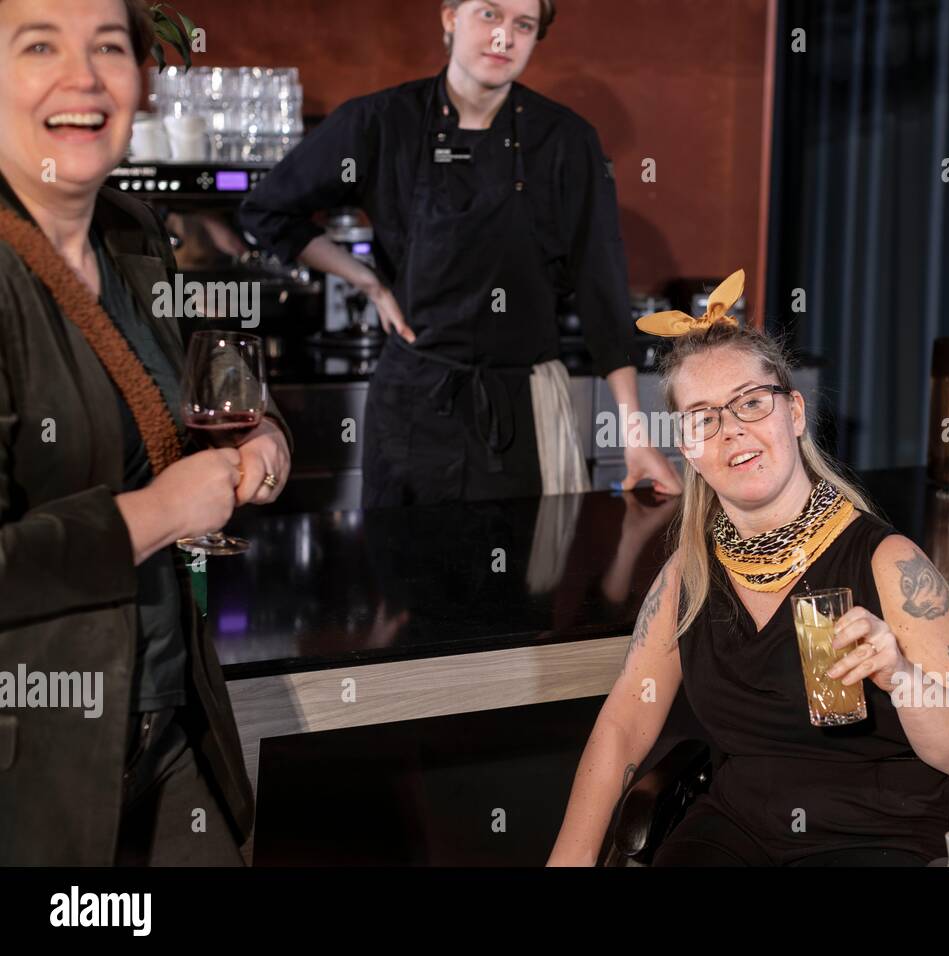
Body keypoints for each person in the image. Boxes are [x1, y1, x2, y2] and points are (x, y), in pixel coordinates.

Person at [548, 273, 949, 866]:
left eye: (751, 402)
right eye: (704, 418)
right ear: (688, 450)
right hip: (735, 831)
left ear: (795, 411)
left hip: (875, 835)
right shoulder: (687, 577)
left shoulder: (890, 563)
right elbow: (624, 724)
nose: (733, 430)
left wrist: (900, 675)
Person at [0, 0, 292, 864]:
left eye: (109, 46)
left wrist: (263, 437)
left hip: (165, 721)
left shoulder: (133, 236)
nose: (83, 75)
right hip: (35, 767)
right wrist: (156, 515)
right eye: (39, 44)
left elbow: (203, 391)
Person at [241, 0, 681, 506]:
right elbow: (267, 212)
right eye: (489, 14)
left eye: (523, 25)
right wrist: (367, 282)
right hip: (411, 404)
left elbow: (600, 286)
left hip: (526, 409)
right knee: (406, 576)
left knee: (524, 580)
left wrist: (636, 435)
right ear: (450, 17)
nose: (503, 38)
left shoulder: (566, 141)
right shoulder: (382, 122)